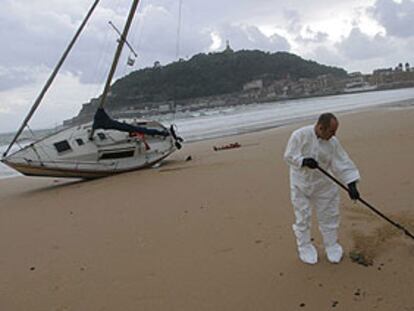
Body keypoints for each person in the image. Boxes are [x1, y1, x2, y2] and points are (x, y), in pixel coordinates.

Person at [284, 113, 360, 264]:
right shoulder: (299, 135)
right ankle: (304, 246)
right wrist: (303, 161)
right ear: (320, 127)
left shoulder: (332, 142)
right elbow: (289, 156)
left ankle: (332, 245)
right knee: (302, 217)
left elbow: (342, 161)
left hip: (324, 184)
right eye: (331, 131)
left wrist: (351, 184)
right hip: (300, 183)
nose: (334, 135)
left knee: (329, 215)